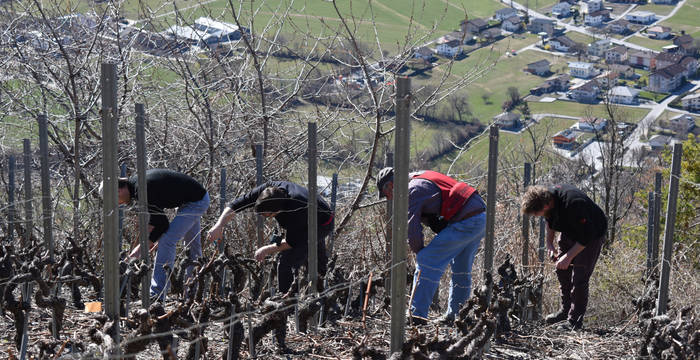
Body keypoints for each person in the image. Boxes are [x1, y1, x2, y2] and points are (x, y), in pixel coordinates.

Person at [376, 167, 486, 324]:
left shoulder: (411, 190)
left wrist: (420, 253)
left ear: (391, 185)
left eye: (386, 194)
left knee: (427, 260)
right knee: (461, 270)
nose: (388, 199)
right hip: (480, 217)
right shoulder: (421, 177)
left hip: (466, 220)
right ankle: (457, 316)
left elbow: (411, 229)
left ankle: (417, 315)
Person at [207, 181, 333, 293]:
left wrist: (266, 249)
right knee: (317, 263)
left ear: (277, 211)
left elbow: (291, 243)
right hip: (313, 212)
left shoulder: (295, 211)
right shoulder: (268, 191)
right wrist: (219, 226)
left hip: (322, 223)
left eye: (265, 215)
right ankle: (323, 295)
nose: (262, 217)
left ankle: (287, 305)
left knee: (286, 262)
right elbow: (236, 204)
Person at [521, 184, 607, 330]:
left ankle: (575, 321)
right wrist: (549, 244)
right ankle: (565, 311)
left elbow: (586, 236)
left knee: (579, 279)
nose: (538, 216)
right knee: (561, 270)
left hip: (591, 235)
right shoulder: (547, 198)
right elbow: (549, 220)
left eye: (538, 213)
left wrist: (568, 257)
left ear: (547, 204)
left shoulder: (573, 204)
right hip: (570, 231)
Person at [116, 169, 210, 301]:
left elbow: (162, 225)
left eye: (116, 200)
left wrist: (137, 252)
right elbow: (156, 221)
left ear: (118, 191)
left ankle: (157, 295)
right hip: (189, 200)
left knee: (167, 241)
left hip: (196, 202)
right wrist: (147, 242)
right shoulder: (137, 183)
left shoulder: (142, 190)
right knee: (192, 248)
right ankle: (194, 294)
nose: (119, 203)